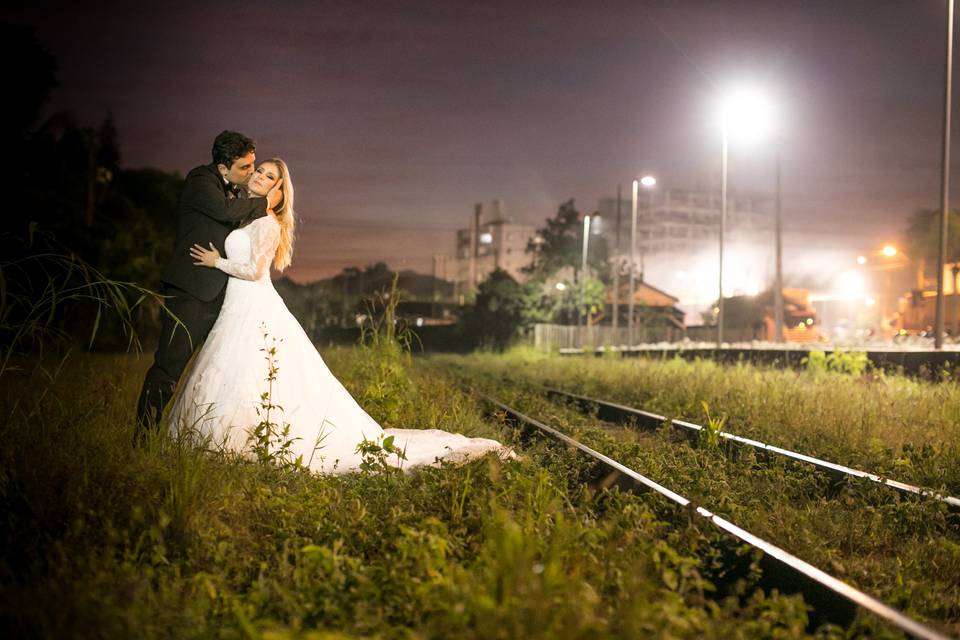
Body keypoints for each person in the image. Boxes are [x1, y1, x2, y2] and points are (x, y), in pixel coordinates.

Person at [170, 158, 514, 473]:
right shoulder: (247, 215)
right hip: (236, 306)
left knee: (255, 374)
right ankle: (223, 439)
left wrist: (217, 262)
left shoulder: (267, 224)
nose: (260, 176)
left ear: (279, 190)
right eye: (259, 171)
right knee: (234, 372)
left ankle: (247, 441)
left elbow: (254, 269)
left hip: (253, 304)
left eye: (269, 176)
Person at [136, 131, 283, 439]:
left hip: (225, 298)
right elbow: (222, 212)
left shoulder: (239, 195)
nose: (251, 173)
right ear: (223, 167)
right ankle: (143, 437)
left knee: (218, 373)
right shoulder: (200, 182)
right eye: (247, 167)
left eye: (255, 167)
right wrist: (266, 203)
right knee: (169, 368)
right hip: (191, 292)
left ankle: (223, 436)